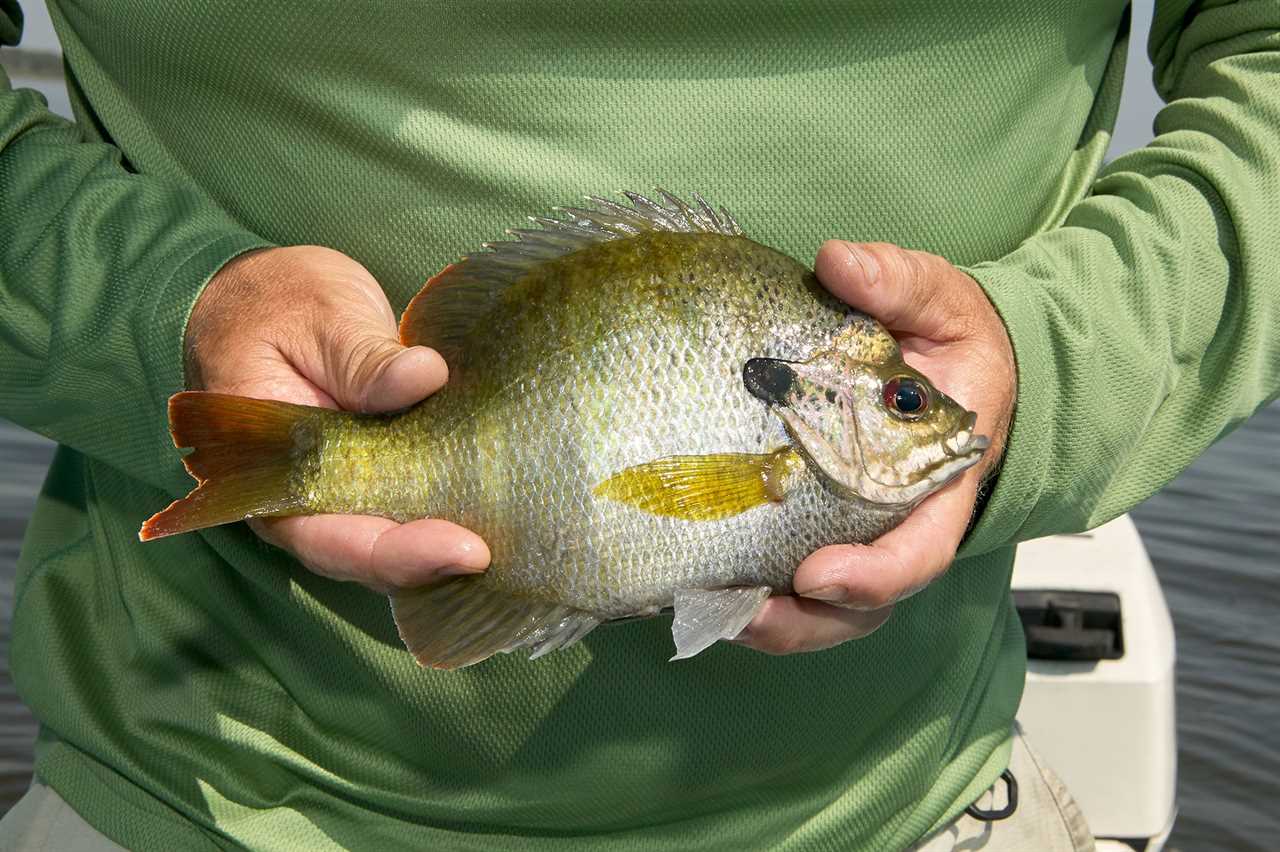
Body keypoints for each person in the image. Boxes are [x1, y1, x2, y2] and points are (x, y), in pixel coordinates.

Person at [0, 1, 1276, 849]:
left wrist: (1049, 366)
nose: (919, 421)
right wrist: (159, 311)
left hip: (914, 802)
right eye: (901, 400)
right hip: (206, 801)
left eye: (902, 400)